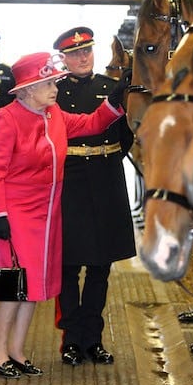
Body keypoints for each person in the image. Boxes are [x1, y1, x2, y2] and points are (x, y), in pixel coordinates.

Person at [0, 51, 128, 378]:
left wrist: (116, 100)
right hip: (16, 212)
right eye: (47, 83)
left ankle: (17, 351)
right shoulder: (7, 118)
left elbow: (92, 123)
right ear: (25, 90)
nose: (55, 89)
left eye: (54, 82)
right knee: (12, 284)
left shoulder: (54, 115)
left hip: (46, 214)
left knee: (33, 285)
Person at [51, 27, 136, 366]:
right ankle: (71, 339)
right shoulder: (54, 91)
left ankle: (93, 338)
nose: (82, 57)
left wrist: (108, 157)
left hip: (105, 179)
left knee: (101, 267)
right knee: (69, 266)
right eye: (75, 53)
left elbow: (126, 134)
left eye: (87, 50)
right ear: (63, 58)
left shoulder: (109, 88)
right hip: (70, 180)